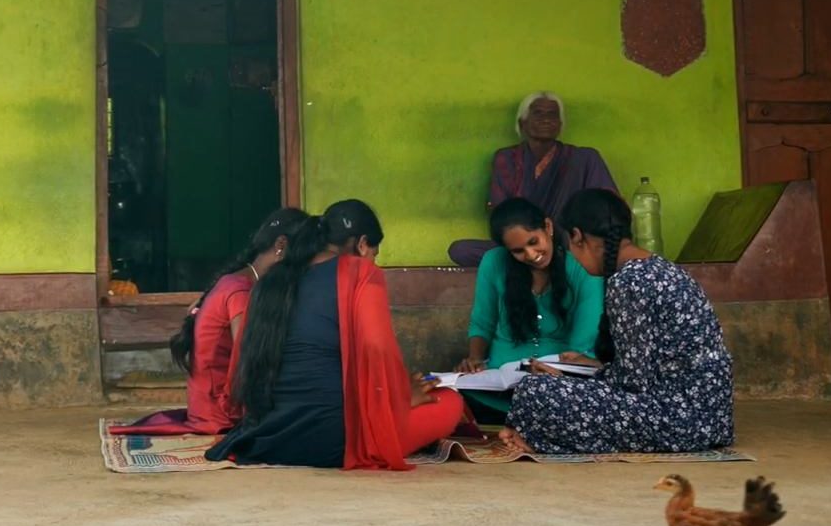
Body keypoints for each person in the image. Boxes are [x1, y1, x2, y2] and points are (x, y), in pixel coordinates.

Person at [206, 200, 465, 470]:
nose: (373, 262)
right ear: (362, 244)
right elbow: (376, 347)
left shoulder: (271, 280)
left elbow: (243, 360)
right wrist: (400, 397)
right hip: (333, 443)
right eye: (374, 254)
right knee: (449, 402)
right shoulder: (360, 271)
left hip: (264, 438)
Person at [501, 189, 734, 454]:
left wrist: (579, 379)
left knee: (535, 390)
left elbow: (634, 384)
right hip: (712, 417)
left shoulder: (628, 281)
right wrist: (589, 371)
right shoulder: (659, 267)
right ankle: (535, 433)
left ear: (577, 236)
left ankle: (534, 436)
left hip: (680, 419)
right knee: (544, 390)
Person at [110, 208, 312, 436]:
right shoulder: (240, 293)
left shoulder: (236, 281)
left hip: (206, 406)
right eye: (304, 257)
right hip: (220, 414)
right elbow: (248, 363)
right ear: (281, 246)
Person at [455, 197, 605, 418]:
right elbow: (482, 323)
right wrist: (475, 360)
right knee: (446, 399)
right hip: (499, 386)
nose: (531, 255)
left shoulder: (581, 266)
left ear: (548, 227)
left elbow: (583, 343)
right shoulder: (493, 262)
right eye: (518, 251)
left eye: (534, 242)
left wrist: (558, 373)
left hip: (560, 383)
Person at [447, 92, 619, 267]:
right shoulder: (506, 159)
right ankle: (535, 257)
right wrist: (527, 237)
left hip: (567, 244)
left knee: (593, 248)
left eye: (552, 115)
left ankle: (544, 258)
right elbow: (499, 214)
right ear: (522, 123)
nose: (546, 120)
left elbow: (610, 209)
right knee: (460, 250)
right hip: (524, 245)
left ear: (560, 125)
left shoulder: (584, 158)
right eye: (538, 113)